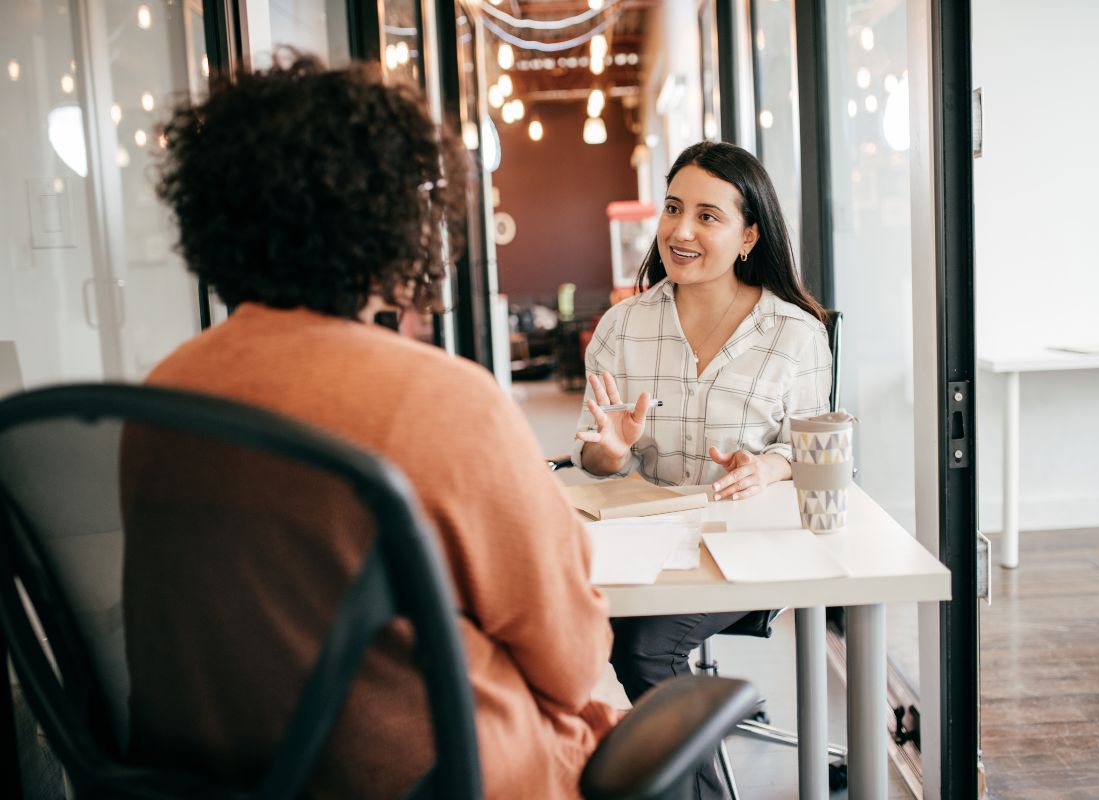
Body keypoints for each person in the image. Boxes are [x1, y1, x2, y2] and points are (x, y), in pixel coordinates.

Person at [123, 52, 617, 799]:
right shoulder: (444, 401)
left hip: (224, 779)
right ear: (387, 218)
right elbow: (574, 658)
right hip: (432, 775)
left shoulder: (164, 396)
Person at [572, 141, 832, 800]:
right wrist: (611, 448)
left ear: (749, 235)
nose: (680, 231)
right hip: (643, 542)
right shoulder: (622, 327)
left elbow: (811, 447)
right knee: (590, 636)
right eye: (673, 209)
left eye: (707, 217)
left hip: (740, 549)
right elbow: (592, 457)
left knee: (642, 650)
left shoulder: (795, 335)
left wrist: (767, 468)